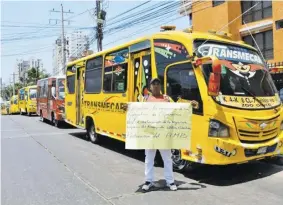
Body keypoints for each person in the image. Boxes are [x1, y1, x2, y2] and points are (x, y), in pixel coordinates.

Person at [124, 77, 177, 191]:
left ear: (160, 86)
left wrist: (190, 105)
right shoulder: (145, 99)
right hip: (150, 133)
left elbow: (177, 109)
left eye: (158, 83)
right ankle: (149, 181)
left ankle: (170, 181)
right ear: (150, 87)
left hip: (163, 133)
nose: (156, 85)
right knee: (149, 158)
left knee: (167, 158)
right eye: (154, 84)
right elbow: (137, 110)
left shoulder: (167, 98)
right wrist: (129, 108)